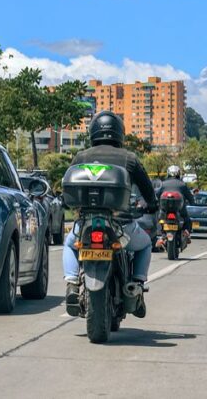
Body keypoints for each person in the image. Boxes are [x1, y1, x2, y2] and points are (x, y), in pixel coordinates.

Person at [64, 111, 158, 318]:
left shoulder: (82, 157)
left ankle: (71, 283)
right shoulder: (130, 158)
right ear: (119, 133)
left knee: (70, 243)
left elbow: (67, 188)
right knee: (145, 245)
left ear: (93, 132)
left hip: (85, 224)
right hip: (122, 225)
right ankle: (137, 284)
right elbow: (147, 189)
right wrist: (151, 205)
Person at [158, 165, 194, 245]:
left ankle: (162, 235)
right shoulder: (182, 185)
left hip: (165, 209)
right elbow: (190, 197)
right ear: (178, 174)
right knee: (187, 219)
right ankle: (186, 232)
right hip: (179, 209)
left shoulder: (162, 184)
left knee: (160, 219)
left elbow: (156, 195)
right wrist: (192, 202)